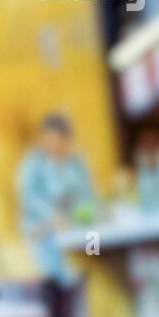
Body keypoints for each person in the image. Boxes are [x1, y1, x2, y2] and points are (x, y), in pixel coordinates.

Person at [16, 112, 95, 286]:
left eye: (59, 141)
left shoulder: (75, 162)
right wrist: (53, 216)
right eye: (49, 141)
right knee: (57, 275)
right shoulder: (33, 163)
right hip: (41, 231)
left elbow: (87, 196)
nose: (54, 146)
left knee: (93, 255)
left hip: (75, 228)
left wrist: (83, 214)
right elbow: (30, 198)